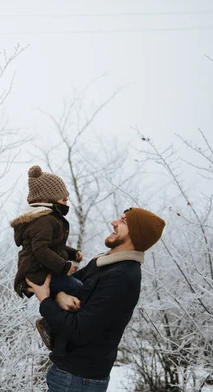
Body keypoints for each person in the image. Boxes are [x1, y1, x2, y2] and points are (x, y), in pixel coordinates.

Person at [27, 207, 165, 392]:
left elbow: (79, 330)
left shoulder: (122, 277)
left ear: (137, 234)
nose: (113, 222)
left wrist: (45, 300)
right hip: (69, 375)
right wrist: (60, 296)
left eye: (123, 221)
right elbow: (68, 287)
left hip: (78, 380)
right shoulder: (104, 264)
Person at [10, 165, 83, 348]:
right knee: (79, 288)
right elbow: (41, 250)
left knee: (73, 288)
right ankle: (53, 325)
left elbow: (54, 247)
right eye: (63, 197)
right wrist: (65, 266)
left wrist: (72, 253)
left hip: (41, 269)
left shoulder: (47, 219)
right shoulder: (45, 220)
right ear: (49, 198)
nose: (67, 201)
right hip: (37, 272)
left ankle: (53, 324)